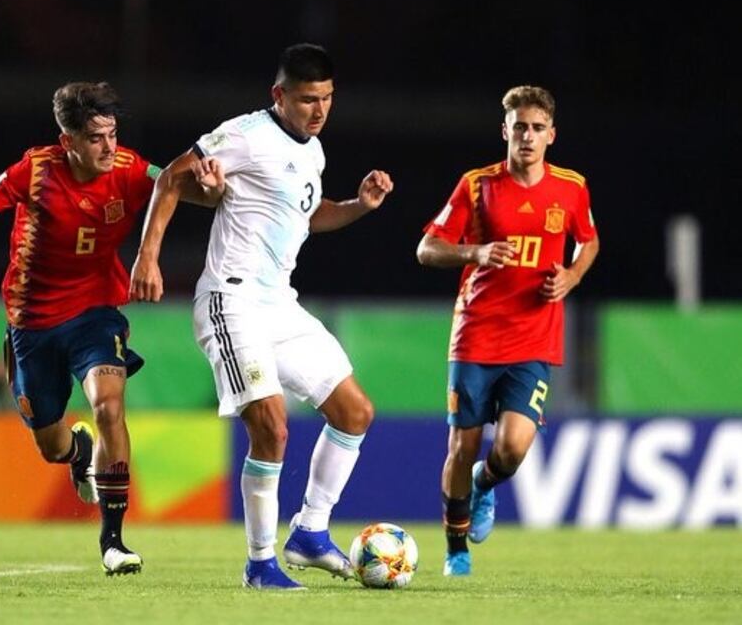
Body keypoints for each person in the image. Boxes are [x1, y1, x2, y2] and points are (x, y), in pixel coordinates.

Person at [0, 82, 216, 574]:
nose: (109, 147)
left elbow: (176, 184)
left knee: (109, 406)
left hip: (95, 313)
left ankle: (113, 541)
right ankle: (79, 452)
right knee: (51, 445)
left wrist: (214, 186)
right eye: (96, 138)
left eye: (113, 134)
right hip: (32, 324)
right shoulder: (34, 170)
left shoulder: (130, 168)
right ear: (67, 140)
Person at [130, 43, 394, 590]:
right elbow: (172, 177)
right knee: (271, 427)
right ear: (279, 96)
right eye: (305, 100)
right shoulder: (246, 135)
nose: (317, 111)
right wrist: (147, 257)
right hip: (231, 302)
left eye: (325, 99)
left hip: (279, 305)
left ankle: (311, 533)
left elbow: (309, 215)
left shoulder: (313, 151)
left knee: (355, 412)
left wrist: (358, 207)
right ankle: (259, 563)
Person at [417, 85, 600, 576]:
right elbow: (427, 249)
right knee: (463, 445)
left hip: (535, 335)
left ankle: (484, 485)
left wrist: (573, 275)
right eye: (520, 126)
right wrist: (474, 252)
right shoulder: (476, 185)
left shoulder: (572, 187)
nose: (528, 136)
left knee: (513, 448)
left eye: (538, 128)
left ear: (551, 135)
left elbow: (588, 240)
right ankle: (456, 547)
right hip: (476, 333)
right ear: (505, 130)